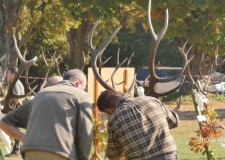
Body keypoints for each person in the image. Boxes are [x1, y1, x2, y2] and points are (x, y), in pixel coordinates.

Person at [22, 69, 93, 160]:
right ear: (79, 82)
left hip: (30, 151)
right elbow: (85, 131)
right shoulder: (81, 95)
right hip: (60, 154)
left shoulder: (40, 94)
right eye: (84, 87)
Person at [97, 90, 180, 160]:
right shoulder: (151, 100)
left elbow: (113, 155)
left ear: (108, 110)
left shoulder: (114, 120)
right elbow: (175, 121)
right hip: (169, 155)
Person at [0, 76, 63, 143]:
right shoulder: (32, 104)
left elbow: (4, 123)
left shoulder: (32, 103)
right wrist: (27, 140)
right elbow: (4, 123)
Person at [5, 66, 25, 157]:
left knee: (14, 128)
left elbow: (16, 98)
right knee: (15, 128)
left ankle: (16, 150)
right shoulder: (15, 82)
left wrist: (12, 108)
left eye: (8, 73)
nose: (7, 75)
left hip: (15, 108)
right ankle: (18, 148)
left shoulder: (16, 83)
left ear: (13, 74)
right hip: (16, 108)